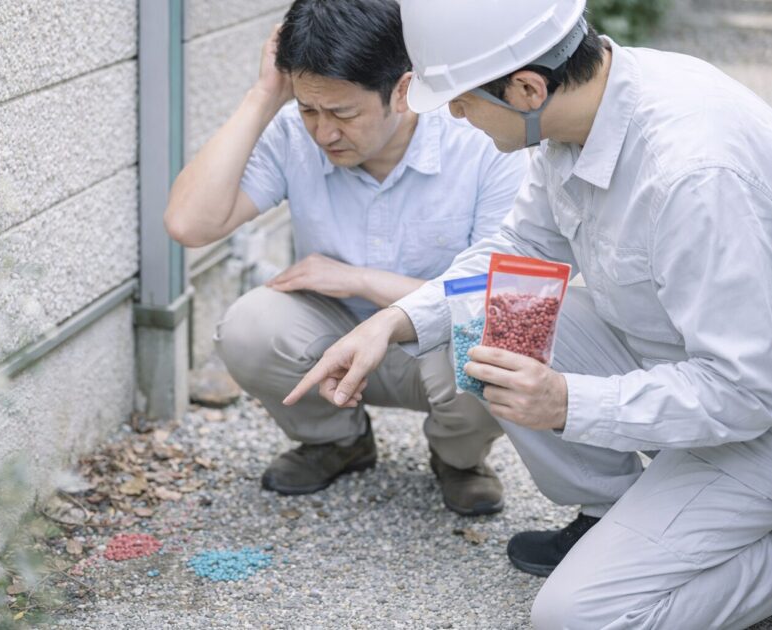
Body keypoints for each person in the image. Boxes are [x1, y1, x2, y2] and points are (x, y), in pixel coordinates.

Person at [284, 0, 772, 627]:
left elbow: (747, 389)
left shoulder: (691, 173)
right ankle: (612, 512)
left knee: (577, 618)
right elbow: (518, 250)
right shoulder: (583, 113)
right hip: (696, 378)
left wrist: (569, 402)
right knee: (497, 313)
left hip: (753, 425)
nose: (455, 115)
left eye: (462, 100)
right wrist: (390, 322)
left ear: (526, 88)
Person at [164, 0, 528, 516]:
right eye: (308, 109)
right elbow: (188, 224)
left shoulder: (481, 142)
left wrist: (361, 280)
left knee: (499, 338)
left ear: (403, 91)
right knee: (249, 326)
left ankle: (459, 458)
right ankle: (337, 441)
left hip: (438, 349)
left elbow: (503, 295)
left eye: (343, 113)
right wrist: (263, 96)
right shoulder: (293, 133)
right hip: (332, 342)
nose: (323, 133)